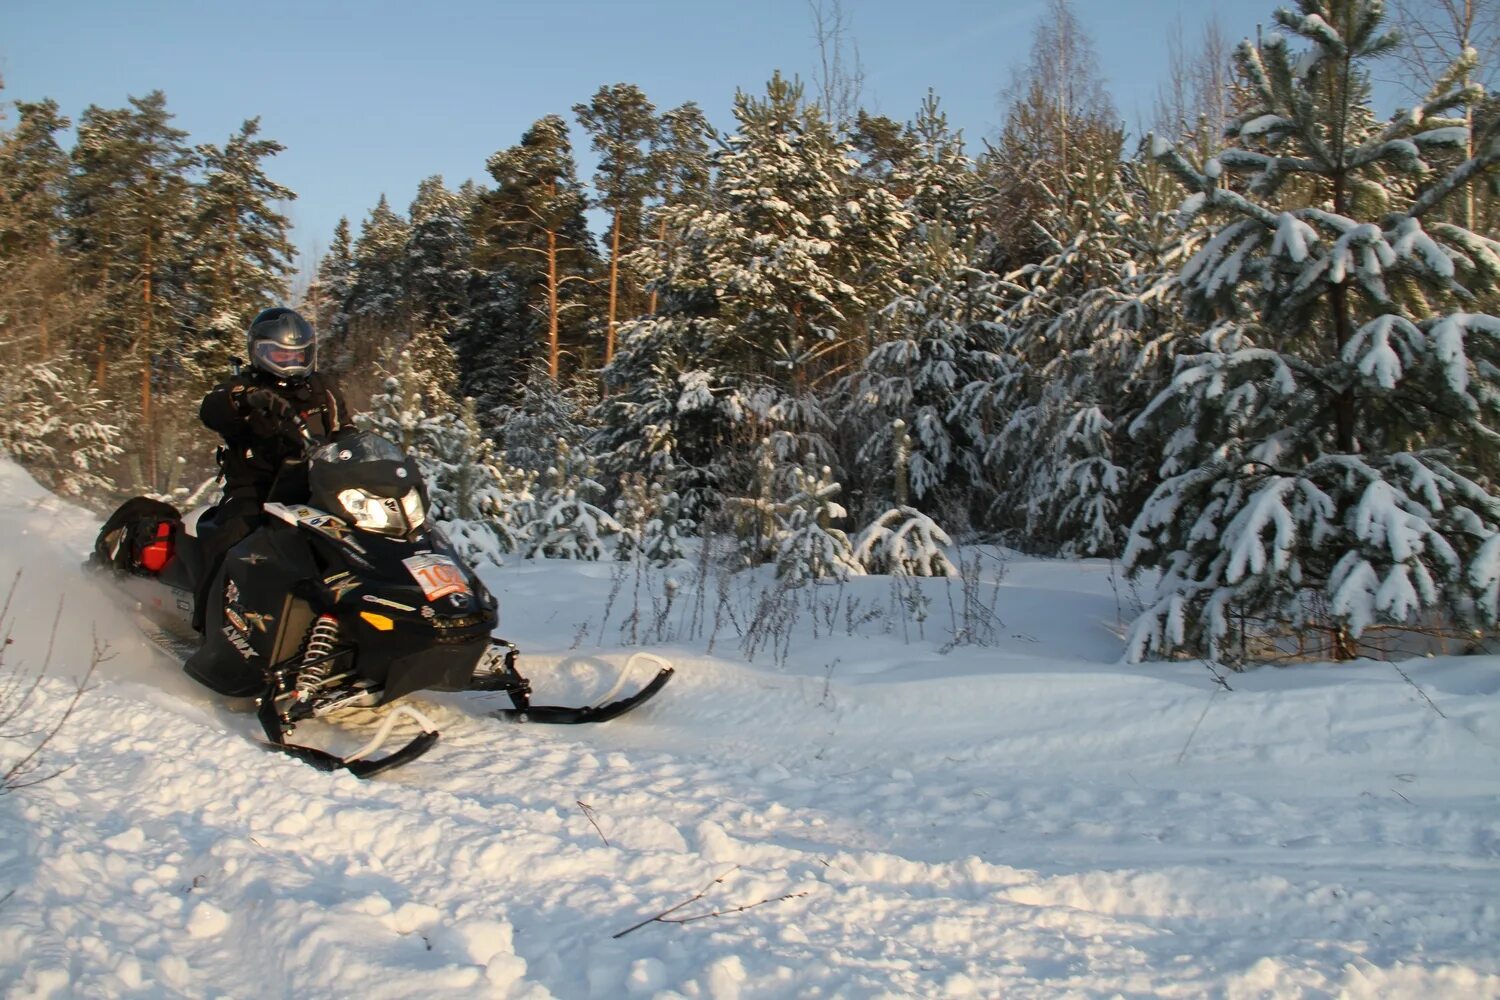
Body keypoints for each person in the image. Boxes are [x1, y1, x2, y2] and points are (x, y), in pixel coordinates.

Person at [192, 306, 353, 630]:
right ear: (259, 353)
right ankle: (207, 623)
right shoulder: (245, 386)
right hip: (256, 490)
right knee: (232, 536)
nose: (290, 363)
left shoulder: (323, 390)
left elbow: (346, 432)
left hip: (315, 489)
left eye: (298, 355)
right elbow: (213, 407)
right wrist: (248, 399)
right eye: (279, 355)